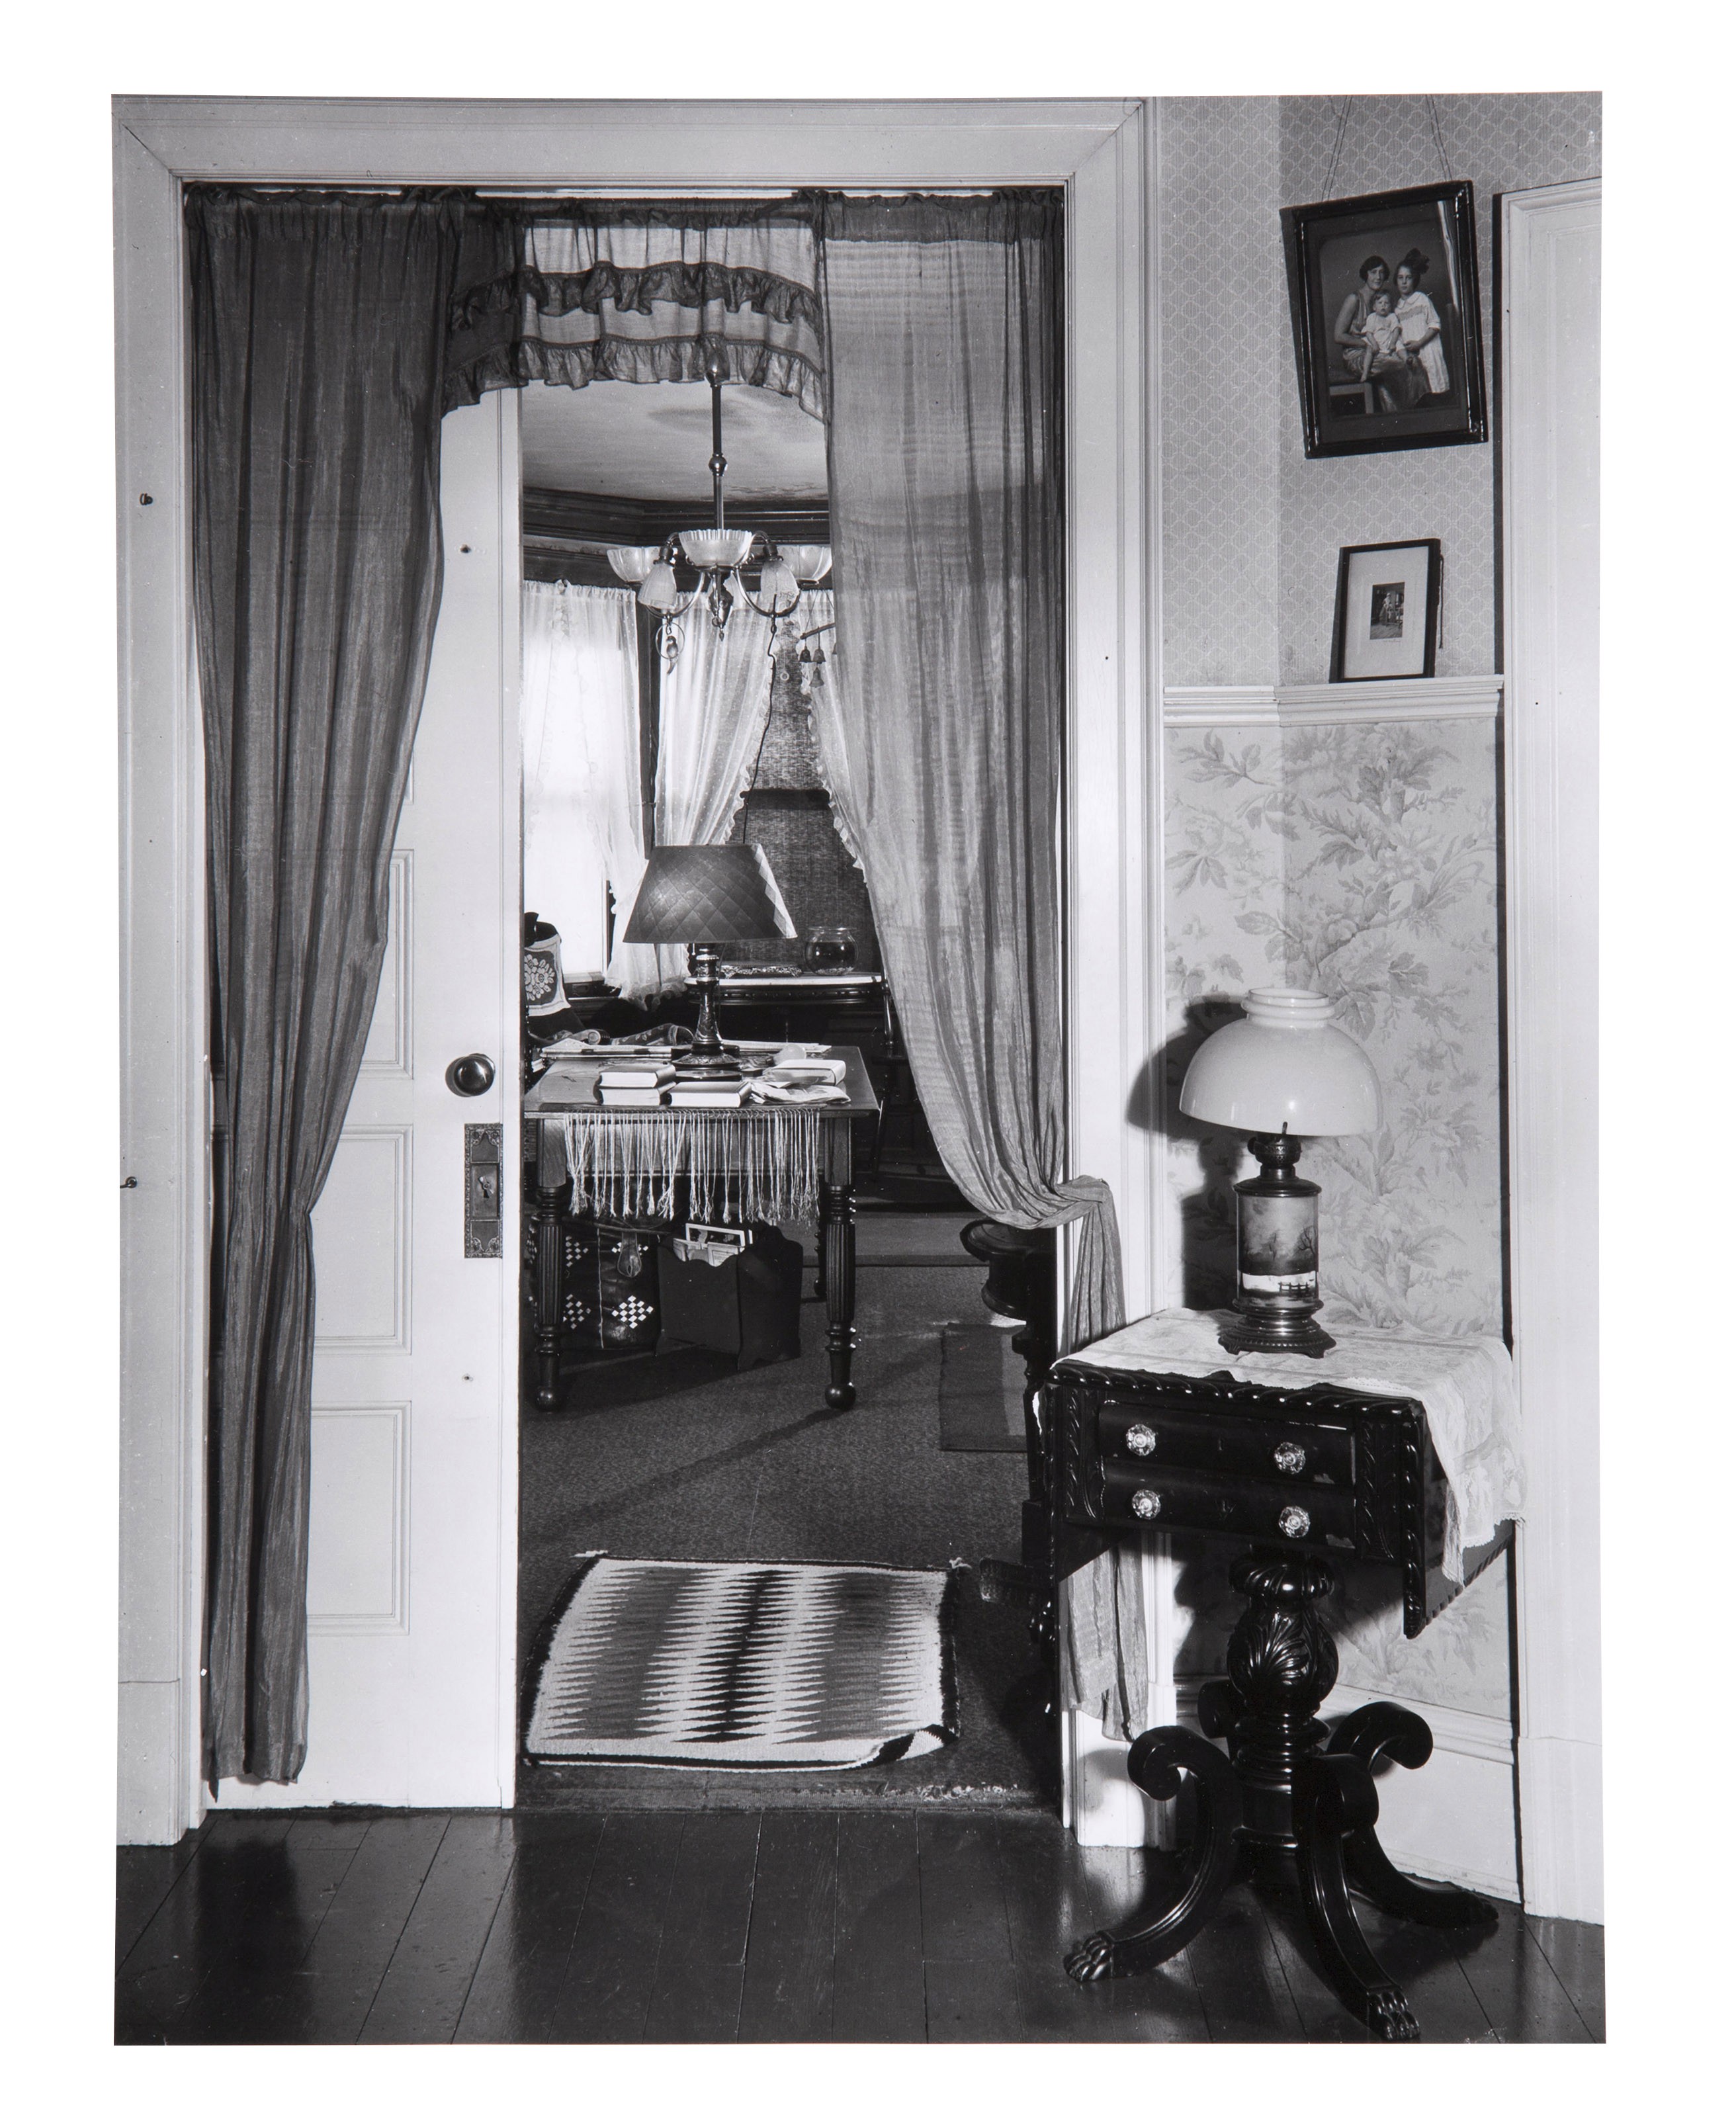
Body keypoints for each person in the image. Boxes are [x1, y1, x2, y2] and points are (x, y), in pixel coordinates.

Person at [1394, 248, 1451, 398]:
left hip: (1428, 351)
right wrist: (1406, 355)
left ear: (1415, 280)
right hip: (1413, 359)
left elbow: (1435, 325)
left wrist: (1419, 343)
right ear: (1396, 281)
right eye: (1401, 278)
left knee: (1435, 391)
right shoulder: (1397, 310)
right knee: (1419, 394)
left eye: (1408, 277)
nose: (1404, 282)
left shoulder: (1422, 299)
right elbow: (1398, 339)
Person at [1357, 288, 1409, 388]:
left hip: (1389, 340)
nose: (1383, 305)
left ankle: (1406, 359)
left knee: (1400, 345)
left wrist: (1393, 343)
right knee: (1369, 349)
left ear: (1390, 307)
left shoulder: (1392, 316)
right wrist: (1374, 344)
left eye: (1386, 303)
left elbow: (1396, 330)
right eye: (1380, 303)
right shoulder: (1372, 317)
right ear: (1374, 307)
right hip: (1376, 340)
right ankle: (1365, 372)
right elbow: (1369, 333)